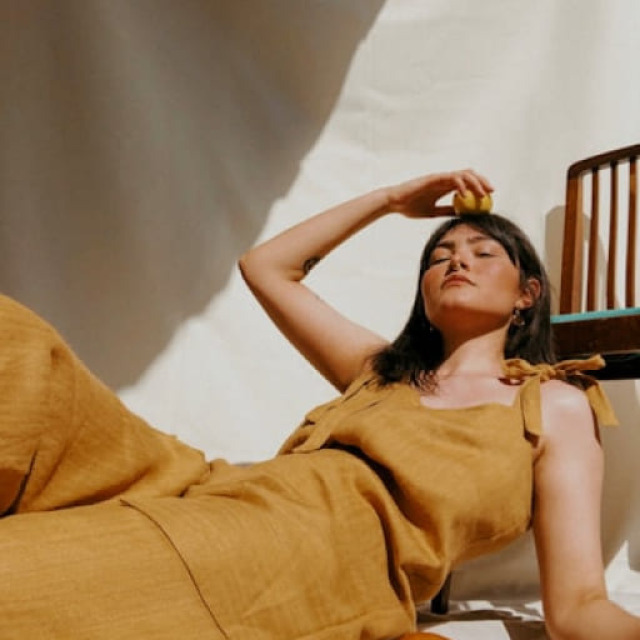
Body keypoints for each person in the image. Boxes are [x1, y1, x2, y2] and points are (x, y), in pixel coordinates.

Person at [0, 169, 637, 640]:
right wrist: (390, 201)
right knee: (16, 341)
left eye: (481, 253)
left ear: (527, 294)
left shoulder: (553, 404)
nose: (456, 262)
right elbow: (266, 267)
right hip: (212, 489)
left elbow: (579, 606)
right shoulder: (382, 372)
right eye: (440, 256)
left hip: (300, 556)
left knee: (32, 584)